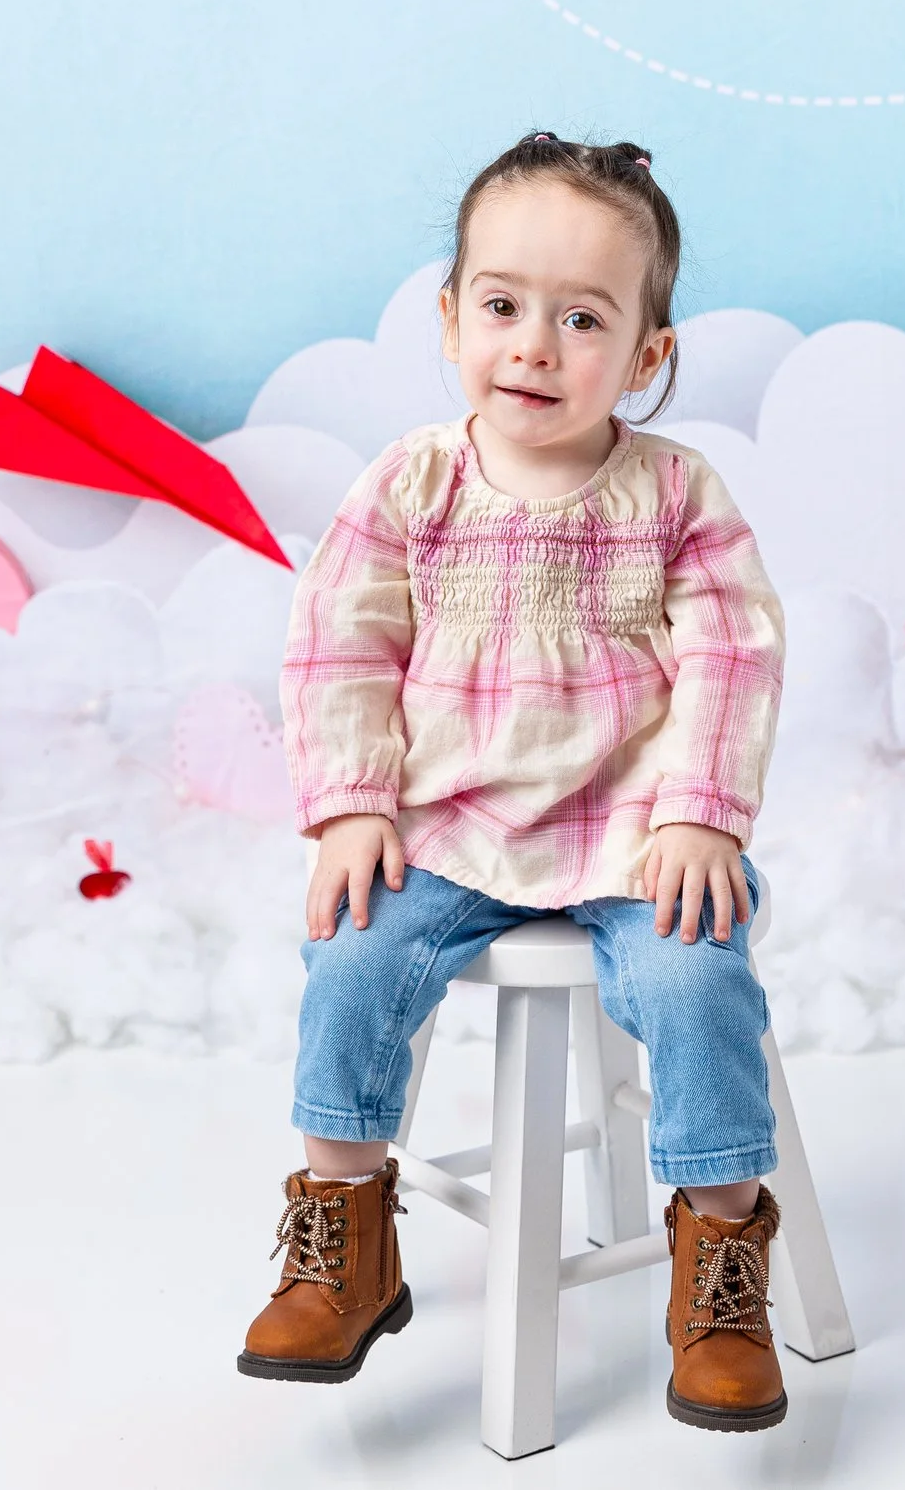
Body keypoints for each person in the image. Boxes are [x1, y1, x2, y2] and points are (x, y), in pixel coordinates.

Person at [236, 132, 793, 1432]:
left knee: (697, 971)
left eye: (582, 318)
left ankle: (720, 1253)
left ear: (648, 355)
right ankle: (346, 1229)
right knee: (353, 957)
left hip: (632, 831)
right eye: (501, 306)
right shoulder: (415, 484)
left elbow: (733, 647)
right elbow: (339, 638)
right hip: (448, 820)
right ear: (450, 316)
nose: (533, 346)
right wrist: (354, 800)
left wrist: (701, 812)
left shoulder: (671, 492)